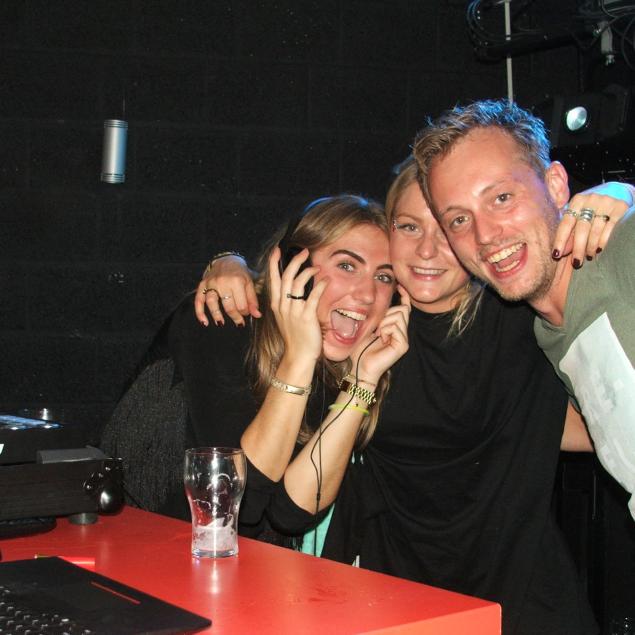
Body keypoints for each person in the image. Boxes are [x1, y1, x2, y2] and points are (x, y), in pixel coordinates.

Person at [194, 159, 635, 634]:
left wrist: (621, 192)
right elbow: (286, 508)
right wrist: (231, 262)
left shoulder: (517, 308)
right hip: (401, 604)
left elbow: (581, 416)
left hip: (528, 605)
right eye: (408, 227)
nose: (427, 249)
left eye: (447, 227)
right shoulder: (372, 334)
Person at [101, 194, 409, 547]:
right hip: (138, 557)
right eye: (347, 266)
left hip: (235, 570)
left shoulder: (337, 366)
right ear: (293, 267)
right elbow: (238, 506)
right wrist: (299, 358)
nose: (368, 294)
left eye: (384, 277)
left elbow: (293, 514)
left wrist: (362, 382)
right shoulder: (221, 320)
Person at [413, 99, 635, 520]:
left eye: (501, 197)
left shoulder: (624, 248)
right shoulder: (548, 334)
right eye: (459, 219)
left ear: (555, 186)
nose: (485, 234)